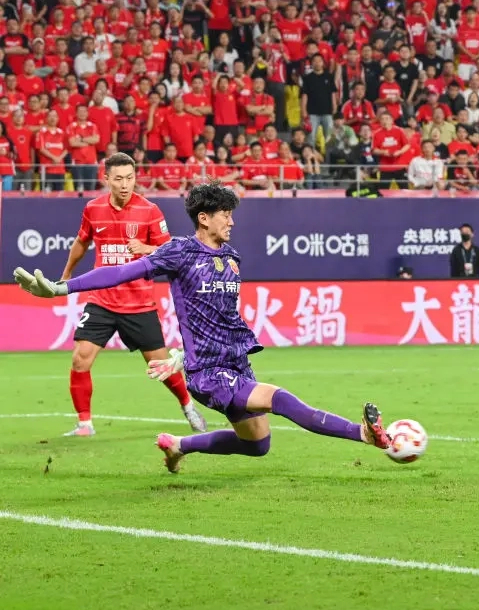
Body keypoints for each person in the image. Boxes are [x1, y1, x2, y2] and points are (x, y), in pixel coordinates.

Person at [15, 183, 391, 473]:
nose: (232, 221)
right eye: (225, 214)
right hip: (209, 375)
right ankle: (362, 433)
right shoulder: (180, 251)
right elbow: (120, 272)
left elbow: (218, 316)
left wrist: (181, 354)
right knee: (279, 399)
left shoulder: (230, 256)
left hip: (236, 363)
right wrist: (61, 288)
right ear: (204, 218)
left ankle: (178, 445)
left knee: (258, 445)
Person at [56, 153, 206, 437]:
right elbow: (81, 242)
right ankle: (85, 424)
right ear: (106, 179)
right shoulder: (93, 208)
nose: (125, 184)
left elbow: (169, 251)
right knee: (80, 358)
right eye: (118, 179)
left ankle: (187, 405)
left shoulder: (150, 210)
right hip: (101, 300)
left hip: (138, 303)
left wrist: (146, 249)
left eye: (129, 178)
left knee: (159, 365)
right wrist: (66, 275)